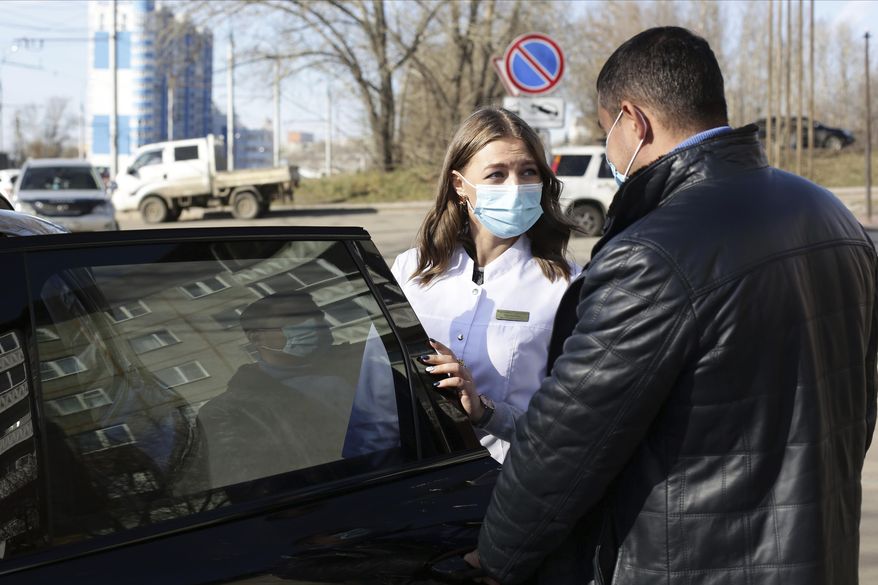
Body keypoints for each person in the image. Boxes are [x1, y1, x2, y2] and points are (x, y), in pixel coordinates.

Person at [467, 27, 878, 584]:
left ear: (633, 121)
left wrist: (497, 557)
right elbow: (858, 397)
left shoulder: (651, 253)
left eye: (605, 130)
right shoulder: (832, 215)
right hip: (821, 552)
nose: (610, 151)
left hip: (693, 562)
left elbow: (566, 441)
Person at [393, 106, 580, 462]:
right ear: (459, 184)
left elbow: (573, 423)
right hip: (417, 477)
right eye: (496, 174)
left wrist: (484, 411)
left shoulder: (567, 285)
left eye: (528, 171)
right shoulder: (411, 270)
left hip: (511, 482)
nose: (516, 187)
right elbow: (377, 391)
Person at [194, 292, 355, 488]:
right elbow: (255, 489)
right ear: (257, 338)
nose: (315, 324)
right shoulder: (230, 411)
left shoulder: (364, 365)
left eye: (317, 316)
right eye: (296, 319)